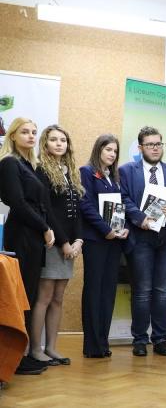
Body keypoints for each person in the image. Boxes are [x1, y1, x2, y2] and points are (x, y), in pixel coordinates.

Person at [119, 126, 166, 357]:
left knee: (163, 291)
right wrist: (139, 218)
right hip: (140, 237)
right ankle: (139, 340)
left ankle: (160, 339)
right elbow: (123, 198)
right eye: (150, 145)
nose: (155, 148)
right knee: (142, 291)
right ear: (140, 148)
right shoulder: (126, 171)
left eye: (158, 144)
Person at [0, 117, 54, 375]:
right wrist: (45, 228)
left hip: (33, 236)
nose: (31, 136)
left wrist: (43, 228)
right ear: (12, 135)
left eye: (34, 132)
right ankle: (14, 358)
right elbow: (18, 203)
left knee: (29, 295)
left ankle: (21, 356)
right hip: (22, 234)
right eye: (25, 132)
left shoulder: (29, 165)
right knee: (19, 297)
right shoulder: (9, 163)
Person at [29, 125, 85, 366]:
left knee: (58, 298)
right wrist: (63, 242)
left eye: (63, 140)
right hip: (52, 243)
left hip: (70, 244)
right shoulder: (41, 170)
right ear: (45, 143)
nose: (59, 143)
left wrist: (78, 240)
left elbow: (77, 211)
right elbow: (48, 211)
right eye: (53, 140)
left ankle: (51, 347)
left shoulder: (70, 171)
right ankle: (35, 348)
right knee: (44, 297)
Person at [79, 134, 129, 358]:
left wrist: (123, 228)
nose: (112, 154)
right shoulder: (87, 172)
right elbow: (85, 205)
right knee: (94, 290)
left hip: (114, 241)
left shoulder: (114, 176)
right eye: (108, 149)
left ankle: (103, 342)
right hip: (96, 240)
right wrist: (105, 229)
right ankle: (92, 345)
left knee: (108, 291)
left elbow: (120, 207)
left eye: (115, 151)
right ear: (98, 149)